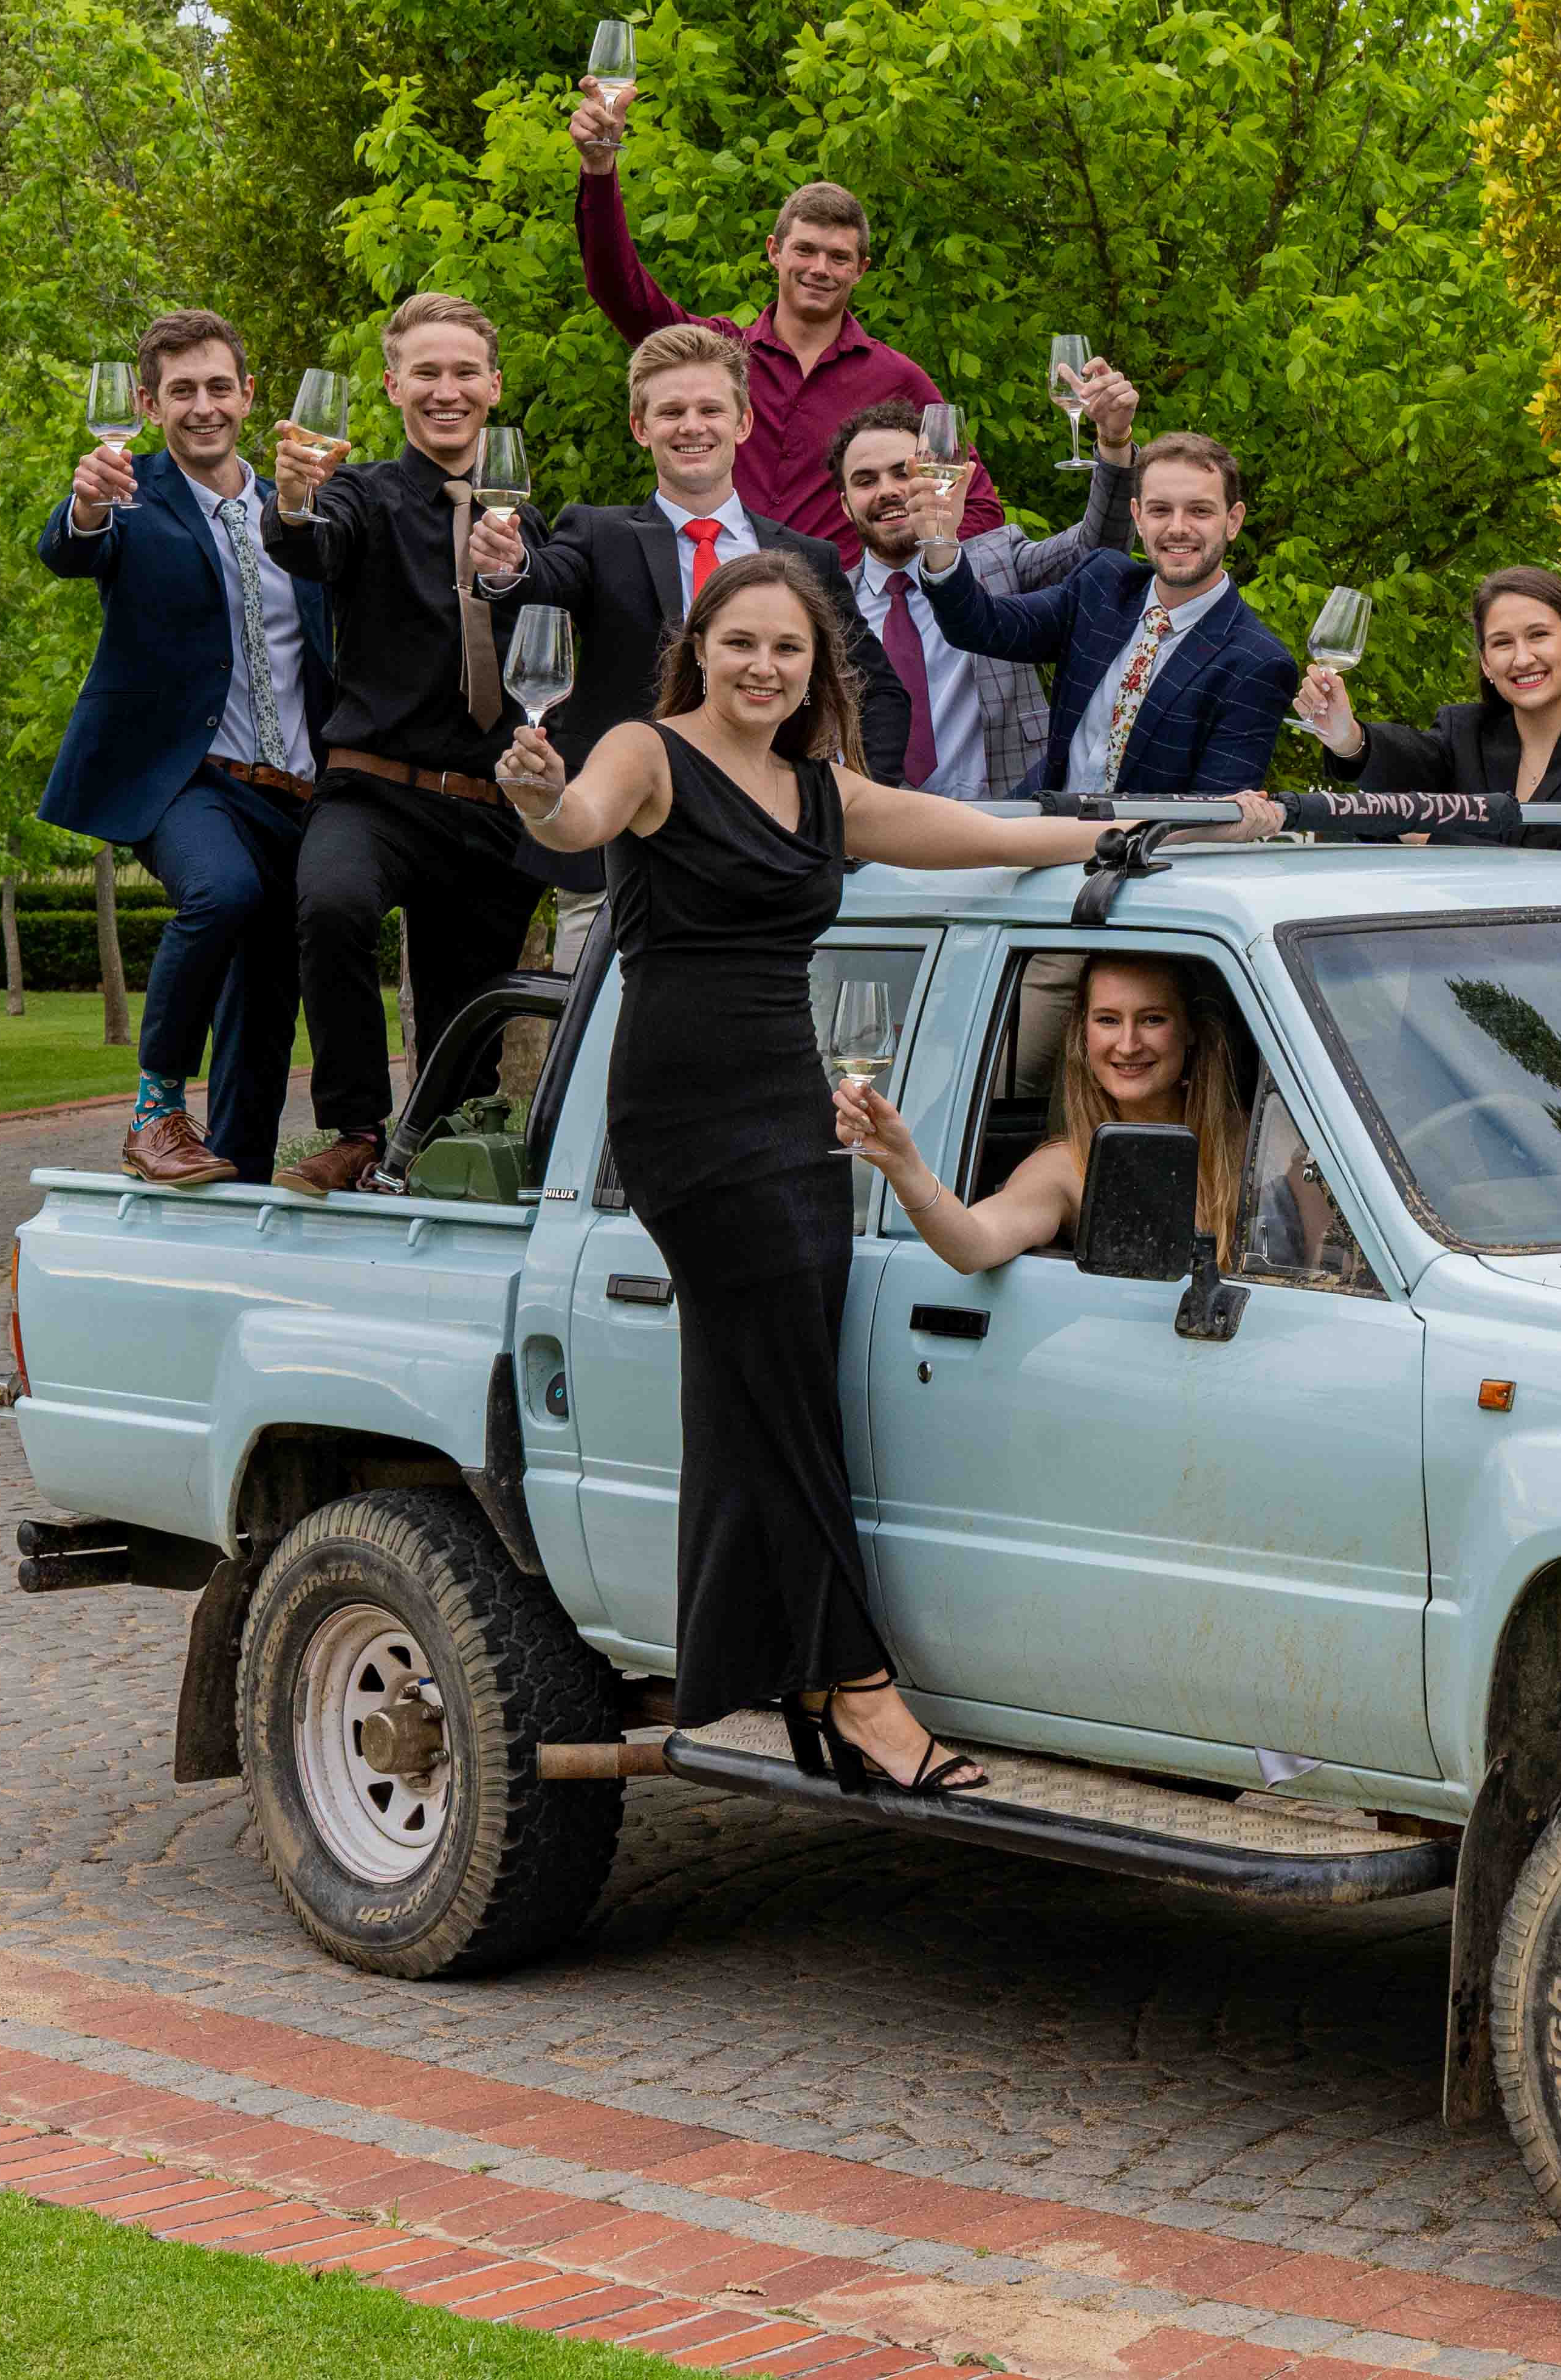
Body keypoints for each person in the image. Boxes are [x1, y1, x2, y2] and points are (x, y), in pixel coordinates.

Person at [490, 550, 1275, 1792]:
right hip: (685, 1117)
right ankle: (859, 1690)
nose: (764, 665)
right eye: (741, 642)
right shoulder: (646, 753)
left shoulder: (822, 789)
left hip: (793, 1110)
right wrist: (538, 793)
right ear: (699, 647)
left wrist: (1183, 824)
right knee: (784, 1392)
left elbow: (997, 832)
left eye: (788, 649)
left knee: (765, 1391)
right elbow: (574, 821)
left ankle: (774, 1673)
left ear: (814, 668)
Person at [265, 293, 581, 1197]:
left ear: (493, 384)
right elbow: (310, 547)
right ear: (395, 385)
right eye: (426, 373)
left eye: (463, 373)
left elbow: (561, 635)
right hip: (375, 791)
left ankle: (437, 1168)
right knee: (331, 908)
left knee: (464, 1036)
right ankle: (355, 1129)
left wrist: (514, 574)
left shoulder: (528, 519)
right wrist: (291, 501)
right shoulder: (359, 494)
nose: (446, 391)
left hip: (488, 812)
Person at [35, 307, 332, 1185]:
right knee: (221, 892)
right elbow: (68, 547)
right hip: (186, 780)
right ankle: (156, 1109)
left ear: (247, 393)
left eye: (216, 387)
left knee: (268, 1001)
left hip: (299, 790)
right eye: (180, 392)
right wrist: (86, 504)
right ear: (148, 404)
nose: (202, 406)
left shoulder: (300, 503)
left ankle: (233, 1175)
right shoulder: (128, 493)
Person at [469, 323, 911, 826]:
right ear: (641, 428)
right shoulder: (596, 533)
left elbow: (877, 693)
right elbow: (542, 580)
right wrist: (511, 566)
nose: (691, 427)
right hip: (616, 835)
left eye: (710, 410)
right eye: (671, 412)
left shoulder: (810, 559)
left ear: (743, 423)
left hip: (768, 835)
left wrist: (846, 808)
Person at [563, 80, 1000, 564]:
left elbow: (978, 508)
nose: (819, 269)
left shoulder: (897, 380)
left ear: (861, 269)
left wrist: (887, 566)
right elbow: (619, 290)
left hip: (838, 616)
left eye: (839, 257)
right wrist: (599, 168)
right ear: (775, 252)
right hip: (712, 591)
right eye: (805, 250)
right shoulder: (717, 354)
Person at [908, 433, 1297, 799]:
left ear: (1233, 521)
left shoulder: (1257, 662)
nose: (1178, 529)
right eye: (1160, 510)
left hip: (1140, 864)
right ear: (1138, 516)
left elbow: (1208, 817)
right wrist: (941, 539)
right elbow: (982, 627)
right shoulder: (1103, 586)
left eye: (1199, 511)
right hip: (1035, 829)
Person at [835, 952, 1249, 1271]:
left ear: (1190, 1028)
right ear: (1083, 1033)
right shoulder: (1067, 1166)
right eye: (1107, 1020)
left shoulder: (1252, 1140)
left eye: (1152, 1019)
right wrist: (903, 1166)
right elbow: (973, 1244)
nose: (1127, 1044)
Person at [837, 387, 1137, 798]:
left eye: (903, 472)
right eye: (865, 481)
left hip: (1007, 814)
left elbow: (1098, 551)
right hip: (879, 828)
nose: (888, 490)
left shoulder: (997, 560)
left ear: (938, 475)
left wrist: (1114, 443)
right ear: (845, 505)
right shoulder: (829, 604)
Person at [1291, 566, 1561, 849]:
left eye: (1538, 635)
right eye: (1503, 643)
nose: (1523, 659)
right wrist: (1348, 738)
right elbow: (1405, 765)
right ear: (1487, 664)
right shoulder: (1463, 732)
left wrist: (1431, 840)